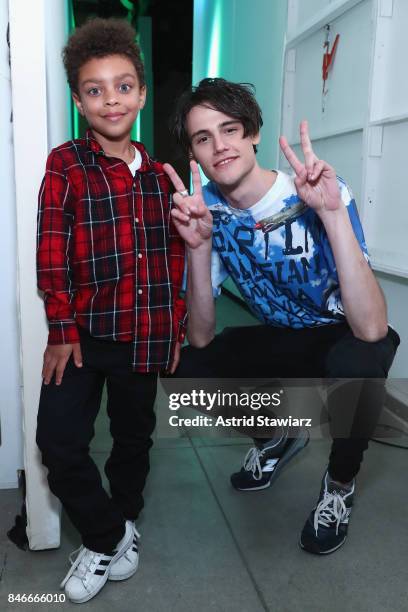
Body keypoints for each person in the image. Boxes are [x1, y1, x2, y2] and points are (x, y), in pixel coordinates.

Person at [163, 78, 400, 555]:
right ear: (193, 154)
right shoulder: (203, 210)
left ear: (253, 133)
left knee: (363, 360)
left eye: (229, 129)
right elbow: (203, 337)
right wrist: (199, 247)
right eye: (203, 138)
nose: (220, 146)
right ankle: (278, 436)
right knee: (186, 371)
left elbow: (372, 328)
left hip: (340, 332)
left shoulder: (313, 190)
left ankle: (339, 485)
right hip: (283, 337)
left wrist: (332, 216)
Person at [36, 18, 186, 603]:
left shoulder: (163, 177)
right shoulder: (66, 163)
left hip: (144, 335)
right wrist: (60, 326)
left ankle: (122, 517)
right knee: (60, 442)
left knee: (133, 439)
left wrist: (172, 328)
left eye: (123, 86)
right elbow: (51, 248)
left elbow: (175, 260)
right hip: (81, 336)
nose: (110, 99)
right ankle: (108, 535)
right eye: (95, 90)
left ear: (142, 94)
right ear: (79, 100)